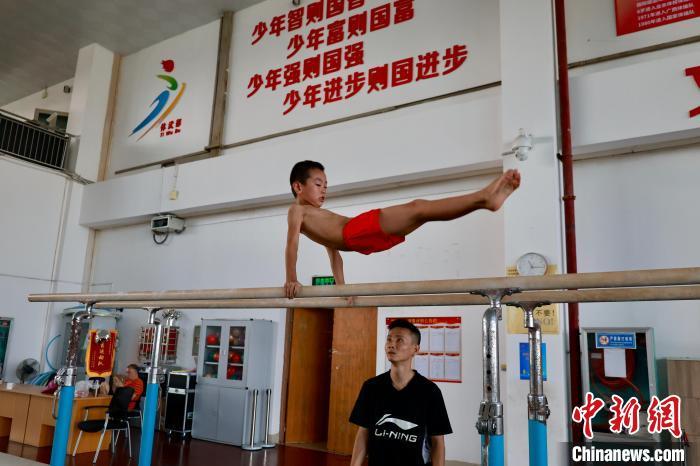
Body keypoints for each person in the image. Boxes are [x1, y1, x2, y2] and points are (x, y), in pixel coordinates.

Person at [284, 160, 521, 298]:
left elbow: (333, 252)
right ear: (298, 187)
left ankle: (484, 200)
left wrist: (342, 287)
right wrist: (291, 279)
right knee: (419, 209)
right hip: (356, 232)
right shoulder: (297, 211)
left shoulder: (316, 215)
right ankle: (483, 198)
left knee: (422, 212)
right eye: (318, 184)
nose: (324, 190)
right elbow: (291, 244)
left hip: (358, 237)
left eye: (326, 186)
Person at [349, 319, 452, 466]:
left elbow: (437, 442)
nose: (391, 344)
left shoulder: (430, 391)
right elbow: (363, 433)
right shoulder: (371, 387)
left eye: (399, 340)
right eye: (389, 339)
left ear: (415, 349)